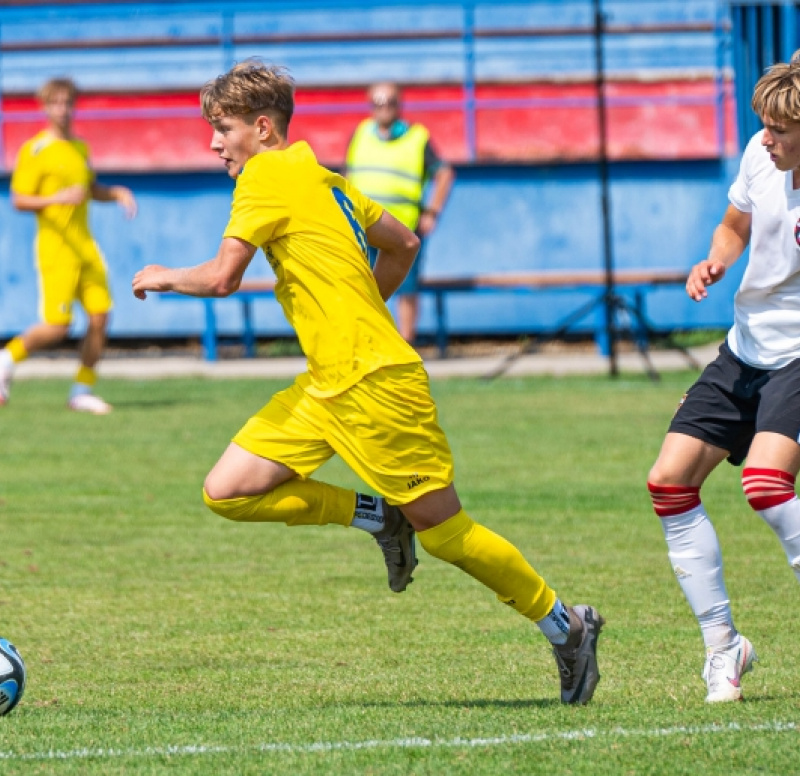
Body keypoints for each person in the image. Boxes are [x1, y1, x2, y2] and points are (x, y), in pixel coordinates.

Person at [131, 60, 604, 705]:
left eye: (223, 128)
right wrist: (366, 310)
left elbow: (221, 277)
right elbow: (404, 243)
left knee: (447, 536)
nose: (214, 143)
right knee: (228, 490)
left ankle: (566, 625)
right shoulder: (327, 180)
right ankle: (376, 516)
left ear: (261, 128)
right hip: (327, 383)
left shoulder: (267, 175)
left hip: (376, 386)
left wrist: (161, 273)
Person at [647, 57, 800, 703]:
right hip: (746, 347)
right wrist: (715, 261)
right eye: (763, 126)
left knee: (765, 485)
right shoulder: (760, 157)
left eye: (780, 130)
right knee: (668, 482)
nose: (766, 138)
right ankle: (723, 648)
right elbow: (734, 226)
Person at [0, 77, 137, 414]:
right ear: (45, 107)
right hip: (55, 247)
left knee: (100, 317)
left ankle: (81, 390)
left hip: (85, 246)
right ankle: (6, 357)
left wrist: (116, 192)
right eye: (56, 103)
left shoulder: (79, 148)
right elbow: (19, 200)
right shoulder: (36, 150)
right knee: (58, 326)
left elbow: (90, 190)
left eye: (67, 102)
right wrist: (55, 198)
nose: (62, 109)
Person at [345, 81, 454, 344]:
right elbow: (347, 175)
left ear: (399, 105)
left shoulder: (417, 137)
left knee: (407, 289)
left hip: (403, 228)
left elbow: (444, 173)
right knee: (362, 286)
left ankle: (406, 345)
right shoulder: (361, 133)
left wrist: (432, 212)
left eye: (390, 102)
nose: (383, 109)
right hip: (364, 228)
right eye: (377, 103)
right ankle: (367, 345)